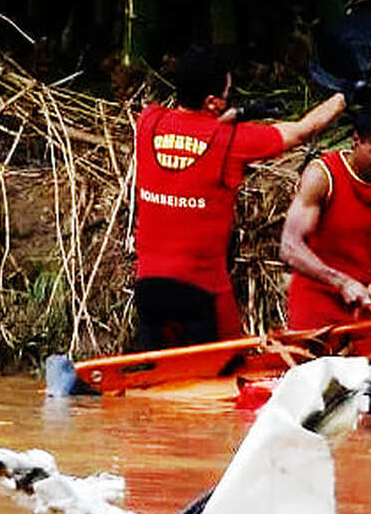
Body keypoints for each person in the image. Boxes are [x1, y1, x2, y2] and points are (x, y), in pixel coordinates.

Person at [132, 47, 345, 350]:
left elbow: (191, 134)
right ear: (212, 102)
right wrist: (342, 98)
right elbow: (301, 132)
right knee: (234, 361)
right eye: (227, 93)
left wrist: (232, 115)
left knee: (157, 375)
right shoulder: (232, 141)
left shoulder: (148, 122)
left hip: (148, 287)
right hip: (201, 290)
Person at [281, 105, 371, 331]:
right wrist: (341, 282)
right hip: (314, 305)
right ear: (356, 141)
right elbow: (290, 248)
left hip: (364, 303)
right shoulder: (322, 176)